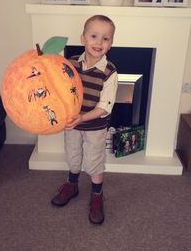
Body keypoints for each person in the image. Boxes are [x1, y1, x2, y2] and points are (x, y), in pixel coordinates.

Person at [51, 15, 118, 225]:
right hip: (72, 124)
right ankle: (72, 184)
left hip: (95, 126)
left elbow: (105, 106)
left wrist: (83, 117)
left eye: (105, 38)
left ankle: (97, 195)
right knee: (73, 154)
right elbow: (57, 86)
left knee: (94, 159)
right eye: (94, 36)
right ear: (83, 38)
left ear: (111, 43)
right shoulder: (69, 64)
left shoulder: (110, 72)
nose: (99, 42)